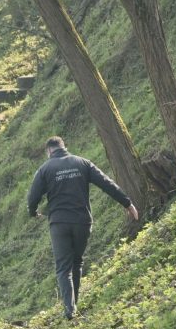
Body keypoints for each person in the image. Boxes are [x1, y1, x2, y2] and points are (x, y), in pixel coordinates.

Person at [26, 136, 139, 319]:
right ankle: (74, 305)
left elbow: (33, 197)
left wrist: (33, 212)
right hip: (82, 221)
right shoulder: (82, 163)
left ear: (49, 151)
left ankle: (70, 310)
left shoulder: (45, 169)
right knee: (77, 262)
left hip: (59, 223)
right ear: (64, 147)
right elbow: (106, 183)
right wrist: (127, 203)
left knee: (63, 267)